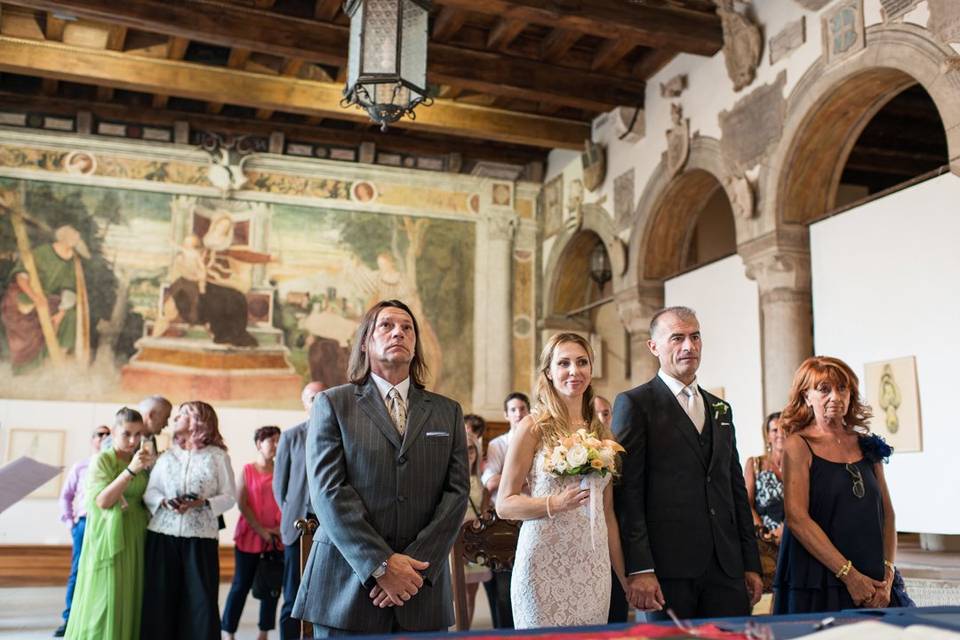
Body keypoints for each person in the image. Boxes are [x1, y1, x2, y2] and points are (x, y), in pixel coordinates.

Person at [292, 299, 469, 635]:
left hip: (422, 587)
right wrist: (382, 565)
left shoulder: (448, 412)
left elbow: (457, 494)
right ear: (365, 341)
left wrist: (411, 571)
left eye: (407, 328)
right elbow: (328, 493)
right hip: (346, 586)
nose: (398, 332)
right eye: (386, 325)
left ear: (415, 345)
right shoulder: (334, 404)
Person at [613, 306, 761, 619]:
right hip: (666, 570)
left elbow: (734, 488)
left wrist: (750, 563)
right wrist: (640, 568)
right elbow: (628, 494)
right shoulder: (635, 404)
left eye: (695, 337)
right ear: (654, 347)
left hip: (725, 568)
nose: (689, 346)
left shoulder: (721, 409)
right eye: (677, 338)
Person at [496, 332, 627, 629]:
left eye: (582, 362)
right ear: (549, 373)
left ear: (591, 369)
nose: (574, 371)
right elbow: (505, 504)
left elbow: (607, 516)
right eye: (564, 363)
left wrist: (624, 579)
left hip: (592, 565)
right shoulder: (533, 427)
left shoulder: (603, 434)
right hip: (542, 562)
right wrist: (554, 503)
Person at [773, 356, 898, 614]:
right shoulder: (798, 445)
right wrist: (850, 576)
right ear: (806, 396)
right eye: (824, 389)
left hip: (874, 579)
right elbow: (797, 518)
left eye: (842, 388)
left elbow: (887, 514)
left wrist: (888, 576)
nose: (835, 396)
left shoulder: (867, 444)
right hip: (820, 578)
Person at [141, 401, 236, 640]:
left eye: (182, 414)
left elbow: (229, 496)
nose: (175, 419)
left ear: (198, 421)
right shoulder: (167, 457)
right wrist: (164, 501)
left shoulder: (218, 457)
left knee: (200, 601)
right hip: (162, 536)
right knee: (160, 599)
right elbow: (150, 492)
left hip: (200, 539)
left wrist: (202, 503)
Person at [64, 408, 155, 640]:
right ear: (114, 432)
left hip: (136, 531)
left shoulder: (142, 460)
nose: (133, 441)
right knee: (105, 598)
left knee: (129, 594)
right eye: (126, 434)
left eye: (138, 434)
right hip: (108, 536)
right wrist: (131, 471)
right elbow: (102, 501)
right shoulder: (102, 460)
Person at [1, 224, 91, 373]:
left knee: (70, 316)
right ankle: (25, 368)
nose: (76, 239)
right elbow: (21, 276)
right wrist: (35, 297)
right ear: (64, 238)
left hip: (50, 300)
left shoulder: (73, 261)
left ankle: (54, 360)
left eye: (77, 237)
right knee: (29, 326)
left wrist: (61, 314)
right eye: (74, 235)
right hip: (24, 294)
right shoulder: (42, 252)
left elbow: (70, 290)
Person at [274, 381, 325, 640]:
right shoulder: (290, 436)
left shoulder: (337, 433)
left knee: (324, 590)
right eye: (312, 397)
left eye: (322, 396)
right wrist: (293, 509)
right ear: (304, 402)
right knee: (292, 592)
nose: (317, 401)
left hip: (327, 526)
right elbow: (279, 487)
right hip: (297, 524)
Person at [222, 425, 283, 640]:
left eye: (278, 440)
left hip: (277, 538)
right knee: (241, 584)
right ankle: (228, 631)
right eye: (271, 440)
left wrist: (277, 530)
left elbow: (287, 501)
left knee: (271, 586)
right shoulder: (247, 470)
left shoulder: (282, 470)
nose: (276, 444)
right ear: (259, 443)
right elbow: (242, 504)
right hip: (250, 535)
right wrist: (261, 530)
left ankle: (263, 632)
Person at [54, 425, 111, 637]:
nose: (104, 437)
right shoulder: (81, 466)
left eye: (108, 434)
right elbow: (66, 496)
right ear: (93, 440)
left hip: (107, 524)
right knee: (78, 569)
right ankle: (69, 618)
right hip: (84, 523)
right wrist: (71, 522)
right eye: (100, 434)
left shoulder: (115, 466)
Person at [479, 391, 530, 629]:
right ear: (506, 414)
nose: (518, 413)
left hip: (531, 519)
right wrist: (521, 479)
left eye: (522, 408)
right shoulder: (498, 444)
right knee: (503, 587)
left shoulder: (536, 441)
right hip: (503, 522)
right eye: (513, 409)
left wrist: (511, 479)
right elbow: (489, 482)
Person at [461, 431, 492, 628]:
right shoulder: (451, 478)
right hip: (454, 542)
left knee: (470, 593)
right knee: (454, 592)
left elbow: (486, 514)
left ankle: (465, 631)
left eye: (471, 448)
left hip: (475, 542)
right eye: (464, 449)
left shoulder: (482, 482)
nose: (468, 453)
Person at [746, 412, 786, 541]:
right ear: (767, 436)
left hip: (793, 536)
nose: (780, 434)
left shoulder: (800, 466)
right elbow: (747, 504)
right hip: (763, 540)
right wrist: (763, 532)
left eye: (784, 429)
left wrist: (785, 530)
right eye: (775, 430)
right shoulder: (755, 463)